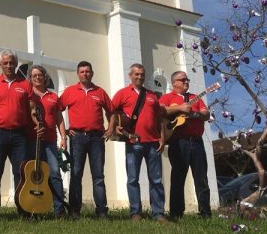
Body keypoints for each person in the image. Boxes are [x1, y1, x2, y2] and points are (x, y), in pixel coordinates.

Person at [0, 49, 37, 219]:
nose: (9, 65)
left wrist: (38, 123)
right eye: (5, 63)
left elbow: (32, 109)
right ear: (0, 64)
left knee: (21, 174)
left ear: (16, 64)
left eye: (11, 63)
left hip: (20, 135)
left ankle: (23, 211)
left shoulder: (26, 84)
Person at [112, 63, 167, 222]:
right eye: (136, 74)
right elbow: (112, 111)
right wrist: (115, 127)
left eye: (142, 74)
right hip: (133, 142)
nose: (139, 77)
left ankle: (159, 213)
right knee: (132, 179)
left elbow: (159, 118)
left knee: (156, 180)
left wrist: (162, 137)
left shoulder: (152, 95)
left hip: (153, 143)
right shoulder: (122, 93)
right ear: (130, 75)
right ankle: (135, 213)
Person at [59, 60, 114, 220]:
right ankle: (74, 211)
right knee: (76, 175)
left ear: (92, 73)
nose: (85, 74)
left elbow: (111, 112)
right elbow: (57, 110)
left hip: (97, 138)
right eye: (82, 72)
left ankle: (102, 211)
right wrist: (65, 131)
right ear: (78, 74)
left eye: (88, 71)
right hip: (77, 138)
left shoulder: (100, 92)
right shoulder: (70, 91)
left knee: (98, 176)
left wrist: (110, 129)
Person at [159, 70, 211, 219]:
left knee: (201, 178)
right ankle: (176, 213)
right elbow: (160, 110)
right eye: (183, 80)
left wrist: (194, 114)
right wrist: (180, 108)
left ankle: (205, 213)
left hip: (197, 141)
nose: (186, 82)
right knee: (178, 178)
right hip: (178, 142)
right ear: (174, 83)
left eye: (187, 79)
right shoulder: (167, 97)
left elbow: (206, 114)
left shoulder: (195, 98)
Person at [27, 64, 67, 218]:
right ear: (30, 78)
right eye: (34, 75)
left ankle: (59, 210)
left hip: (50, 141)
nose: (37, 77)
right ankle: (32, 209)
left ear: (45, 77)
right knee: (32, 174)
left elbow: (59, 118)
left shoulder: (53, 96)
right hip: (31, 140)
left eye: (40, 75)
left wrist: (63, 137)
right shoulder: (28, 95)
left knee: (55, 173)